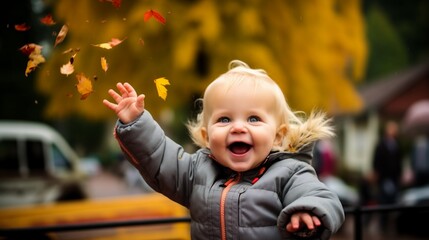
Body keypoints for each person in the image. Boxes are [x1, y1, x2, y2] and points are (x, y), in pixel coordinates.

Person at [103, 60, 345, 239]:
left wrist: (305, 211)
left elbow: (320, 196)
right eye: (224, 120)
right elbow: (160, 159)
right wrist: (136, 124)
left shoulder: (290, 173)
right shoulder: (198, 172)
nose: (238, 128)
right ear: (207, 137)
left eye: (253, 119)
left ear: (278, 135)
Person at [372, 120, 403, 230]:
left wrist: (399, 175)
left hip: (393, 178)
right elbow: (376, 160)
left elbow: (399, 161)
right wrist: (377, 173)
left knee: (392, 201)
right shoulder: (381, 145)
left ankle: (391, 224)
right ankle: (383, 224)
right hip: (383, 178)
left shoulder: (396, 145)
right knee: (383, 201)